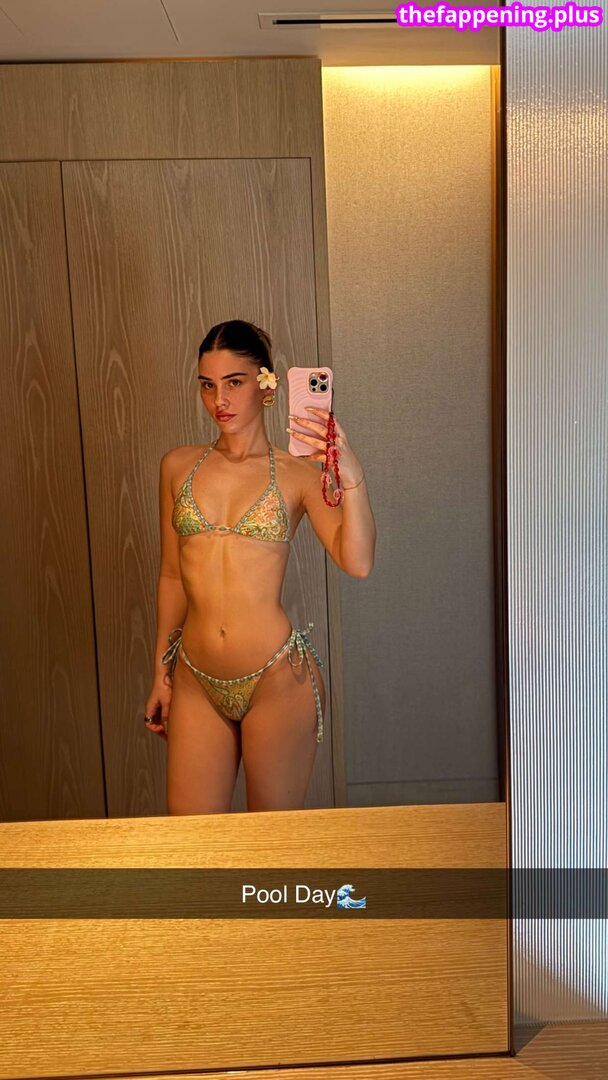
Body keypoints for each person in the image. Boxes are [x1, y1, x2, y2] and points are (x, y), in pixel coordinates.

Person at [144, 319, 376, 814]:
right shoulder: (177, 467)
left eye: (234, 382)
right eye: (207, 385)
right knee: (194, 846)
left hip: (276, 681)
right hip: (196, 679)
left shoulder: (298, 474)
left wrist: (351, 475)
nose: (219, 400)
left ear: (267, 385)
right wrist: (161, 672)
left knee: (271, 845)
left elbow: (356, 561)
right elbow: (171, 576)